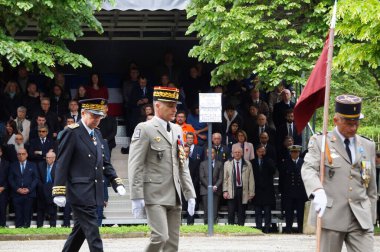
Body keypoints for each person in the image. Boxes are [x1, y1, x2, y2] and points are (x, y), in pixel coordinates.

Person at [301, 95, 377, 252]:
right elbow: (308, 169)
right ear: (336, 120)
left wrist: (370, 216)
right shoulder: (321, 142)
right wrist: (317, 190)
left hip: (360, 217)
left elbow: (371, 187)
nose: (353, 128)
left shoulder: (368, 145)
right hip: (331, 215)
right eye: (349, 124)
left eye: (356, 123)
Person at [52, 98, 126, 252]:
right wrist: (58, 190)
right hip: (80, 192)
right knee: (93, 233)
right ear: (83, 113)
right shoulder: (71, 132)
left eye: (99, 117)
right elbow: (62, 163)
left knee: (79, 233)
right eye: (93, 116)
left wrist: (116, 181)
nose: (97, 120)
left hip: (95, 191)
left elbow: (104, 162)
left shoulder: (97, 134)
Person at [128, 86, 196, 252]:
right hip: (154, 194)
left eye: (175, 105)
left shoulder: (177, 130)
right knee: (160, 237)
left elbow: (182, 164)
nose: (175, 109)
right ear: (157, 105)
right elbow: (135, 164)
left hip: (174, 194)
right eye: (170, 105)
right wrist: (136, 195)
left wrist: (190, 193)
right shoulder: (144, 128)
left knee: (172, 244)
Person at [223, 145, 255, 226]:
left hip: (243, 190)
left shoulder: (248, 164)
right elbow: (225, 179)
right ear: (232, 154)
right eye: (235, 152)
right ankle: (231, 229)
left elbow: (251, 179)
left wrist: (251, 193)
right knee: (231, 211)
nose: (237, 154)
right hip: (231, 190)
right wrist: (225, 191)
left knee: (241, 211)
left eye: (239, 152)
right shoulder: (227, 163)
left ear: (242, 153)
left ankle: (241, 228)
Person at [8, 147, 38, 228]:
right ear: (17, 155)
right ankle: (18, 229)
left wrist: (29, 189)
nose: (21, 156)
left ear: (27, 155)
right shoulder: (12, 165)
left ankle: (26, 229)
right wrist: (17, 189)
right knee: (18, 214)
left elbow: (36, 179)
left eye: (23, 154)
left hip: (29, 194)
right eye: (19, 154)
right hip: (16, 194)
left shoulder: (33, 165)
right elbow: (10, 179)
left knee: (27, 213)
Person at [280, 145, 307, 233]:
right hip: (289, 192)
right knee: (289, 212)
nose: (294, 154)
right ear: (290, 153)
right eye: (292, 152)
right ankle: (288, 228)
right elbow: (282, 178)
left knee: (300, 212)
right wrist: (282, 191)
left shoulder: (303, 163)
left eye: (296, 152)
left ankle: (300, 228)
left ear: (299, 153)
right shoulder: (285, 163)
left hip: (300, 192)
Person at [251, 144, 276, 233]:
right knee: (257, 211)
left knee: (267, 210)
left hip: (267, 190)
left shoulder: (269, 160)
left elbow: (273, 171)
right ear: (257, 152)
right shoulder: (252, 162)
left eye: (263, 151)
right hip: (257, 189)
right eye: (260, 151)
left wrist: (266, 159)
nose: (262, 153)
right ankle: (258, 227)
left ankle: (267, 228)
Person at [199, 147, 223, 224]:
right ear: (206, 154)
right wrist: (209, 187)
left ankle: (214, 226)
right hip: (205, 190)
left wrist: (215, 186)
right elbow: (201, 177)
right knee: (206, 210)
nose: (211, 154)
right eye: (209, 153)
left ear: (215, 153)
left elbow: (221, 177)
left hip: (216, 190)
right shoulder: (202, 164)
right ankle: (206, 226)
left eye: (212, 152)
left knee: (214, 210)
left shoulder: (219, 163)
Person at [36, 151, 58, 227]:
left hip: (53, 192)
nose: (47, 159)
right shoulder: (40, 165)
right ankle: (39, 227)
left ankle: (53, 227)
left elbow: (59, 180)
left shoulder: (58, 166)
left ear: (54, 159)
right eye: (46, 157)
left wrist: (49, 188)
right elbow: (37, 178)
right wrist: (44, 188)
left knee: (52, 212)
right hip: (42, 192)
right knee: (40, 211)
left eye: (49, 158)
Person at [0, 146, 10, 227]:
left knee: (2, 209)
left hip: (3, 191)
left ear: (1, 153)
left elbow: (9, 177)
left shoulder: (6, 163)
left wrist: (3, 187)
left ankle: (2, 226)